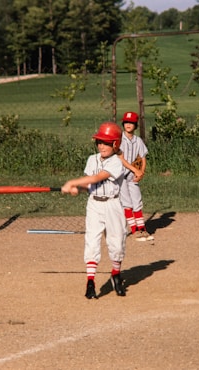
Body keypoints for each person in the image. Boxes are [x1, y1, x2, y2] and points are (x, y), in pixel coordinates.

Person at [61, 122, 127, 299]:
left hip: (113, 205)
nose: (101, 146)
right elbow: (90, 183)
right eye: (99, 142)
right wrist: (79, 189)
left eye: (106, 142)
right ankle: (90, 282)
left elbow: (99, 176)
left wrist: (73, 182)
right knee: (91, 241)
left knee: (116, 243)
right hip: (94, 205)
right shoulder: (92, 159)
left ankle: (116, 274)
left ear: (116, 144)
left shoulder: (116, 162)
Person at [119, 111, 154, 242]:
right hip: (121, 176)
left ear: (135, 125)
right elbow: (121, 159)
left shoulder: (138, 141)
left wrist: (141, 173)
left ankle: (142, 228)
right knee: (127, 203)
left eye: (131, 123)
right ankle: (134, 230)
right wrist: (135, 170)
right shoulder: (119, 140)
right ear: (123, 124)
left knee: (137, 201)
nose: (129, 125)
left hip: (133, 176)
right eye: (126, 122)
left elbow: (143, 158)